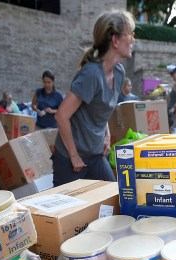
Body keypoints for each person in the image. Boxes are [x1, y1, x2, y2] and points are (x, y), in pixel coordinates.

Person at [53, 10, 134, 186]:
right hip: (71, 159)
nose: (133, 39)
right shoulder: (91, 74)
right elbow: (61, 116)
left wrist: (107, 134)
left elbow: (100, 109)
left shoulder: (119, 72)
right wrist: (74, 156)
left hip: (95, 154)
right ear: (115, 40)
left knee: (114, 199)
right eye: (129, 34)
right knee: (69, 212)